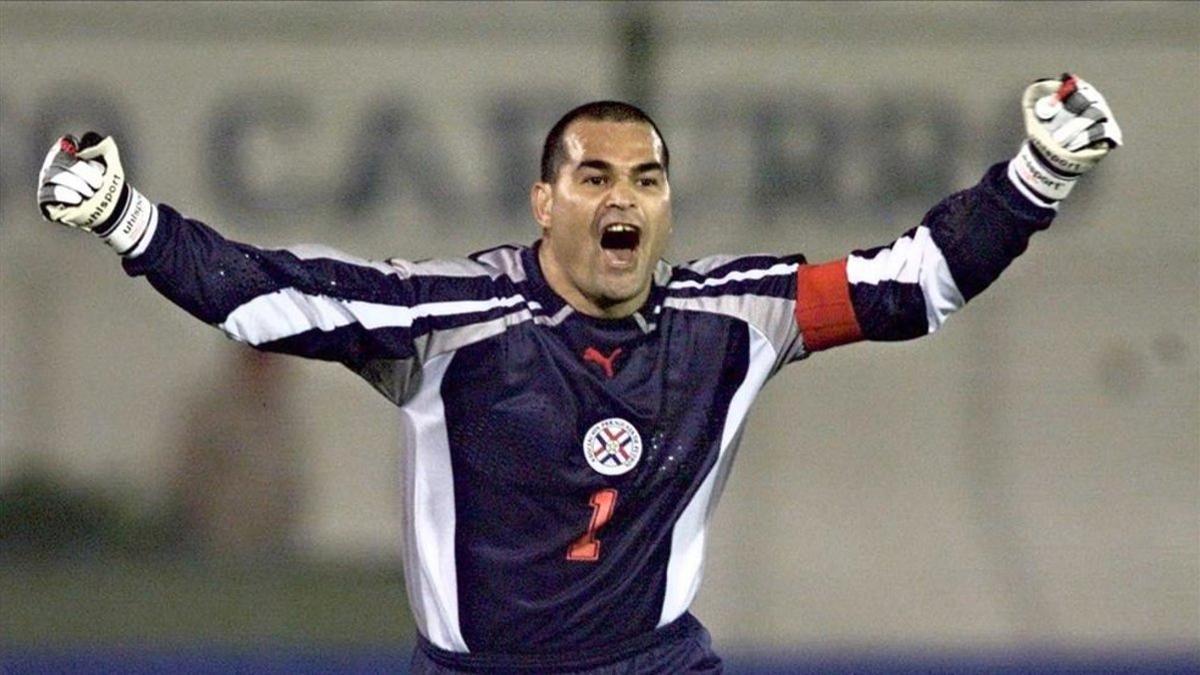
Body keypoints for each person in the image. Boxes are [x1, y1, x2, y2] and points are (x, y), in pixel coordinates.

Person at [36, 74, 1120, 673]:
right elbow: (266, 294)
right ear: (544, 203)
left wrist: (1039, 173)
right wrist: (129, 220)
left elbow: (912, 285)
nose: (624, 198)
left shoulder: (738, 317)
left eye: (646, 178)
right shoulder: (449, 322)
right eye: (594, 175)